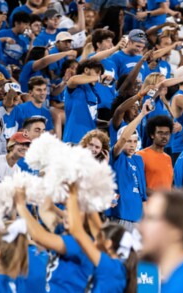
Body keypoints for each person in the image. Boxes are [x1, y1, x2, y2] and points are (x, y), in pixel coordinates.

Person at [67, 184, 138, 293]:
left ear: (108, 244)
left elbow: (76, 231)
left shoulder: (110, 266)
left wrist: (72, 191)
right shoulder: (118, 265)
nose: (94, 241)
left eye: (98, 239)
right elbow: (97, 227)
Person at [105, 99, 151, 232]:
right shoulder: (116, 156)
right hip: (120, 214)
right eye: (129, 141)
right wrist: (141, 115)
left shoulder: (139, 160)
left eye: (135, 141)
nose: (132, 144)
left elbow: (142, 194)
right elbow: (122, 139)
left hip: (137, 217)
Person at [63, 59, 108, 144]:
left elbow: (90, 118)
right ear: (86, 70)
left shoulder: (93, 92)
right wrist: (98, 78)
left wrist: (108, 123)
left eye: (100, 74)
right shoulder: (77, 87)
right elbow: (73, 80)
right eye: (97, 72)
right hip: (74, 139)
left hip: (89, 141)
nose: (99, 76)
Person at [137, 115, 174, 192]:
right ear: (152, 135)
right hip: (149, 203)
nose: (164, 136)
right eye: (160, 133)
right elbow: (137, 185)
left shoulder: (168, 158)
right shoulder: (141, 155)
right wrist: (160, 196)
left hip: (165, 203)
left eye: (167, 133)